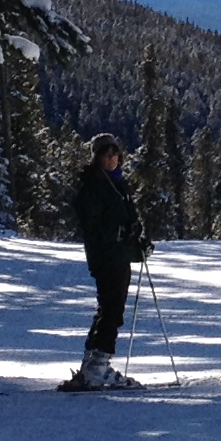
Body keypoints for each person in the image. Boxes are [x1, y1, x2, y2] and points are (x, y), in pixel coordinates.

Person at [65, 133, 151, 391]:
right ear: (97, 158)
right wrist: (122, 234)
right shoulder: (94, 186)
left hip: (116, 255)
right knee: (113, 310)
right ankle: (99, 367)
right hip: (107, 256)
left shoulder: (115, 183)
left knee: (107, 309)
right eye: (106, 155)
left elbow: (124, 219)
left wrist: (135, 238)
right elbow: (93, 225)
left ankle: (92, 365)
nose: (112, 159)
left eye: (115, 154)